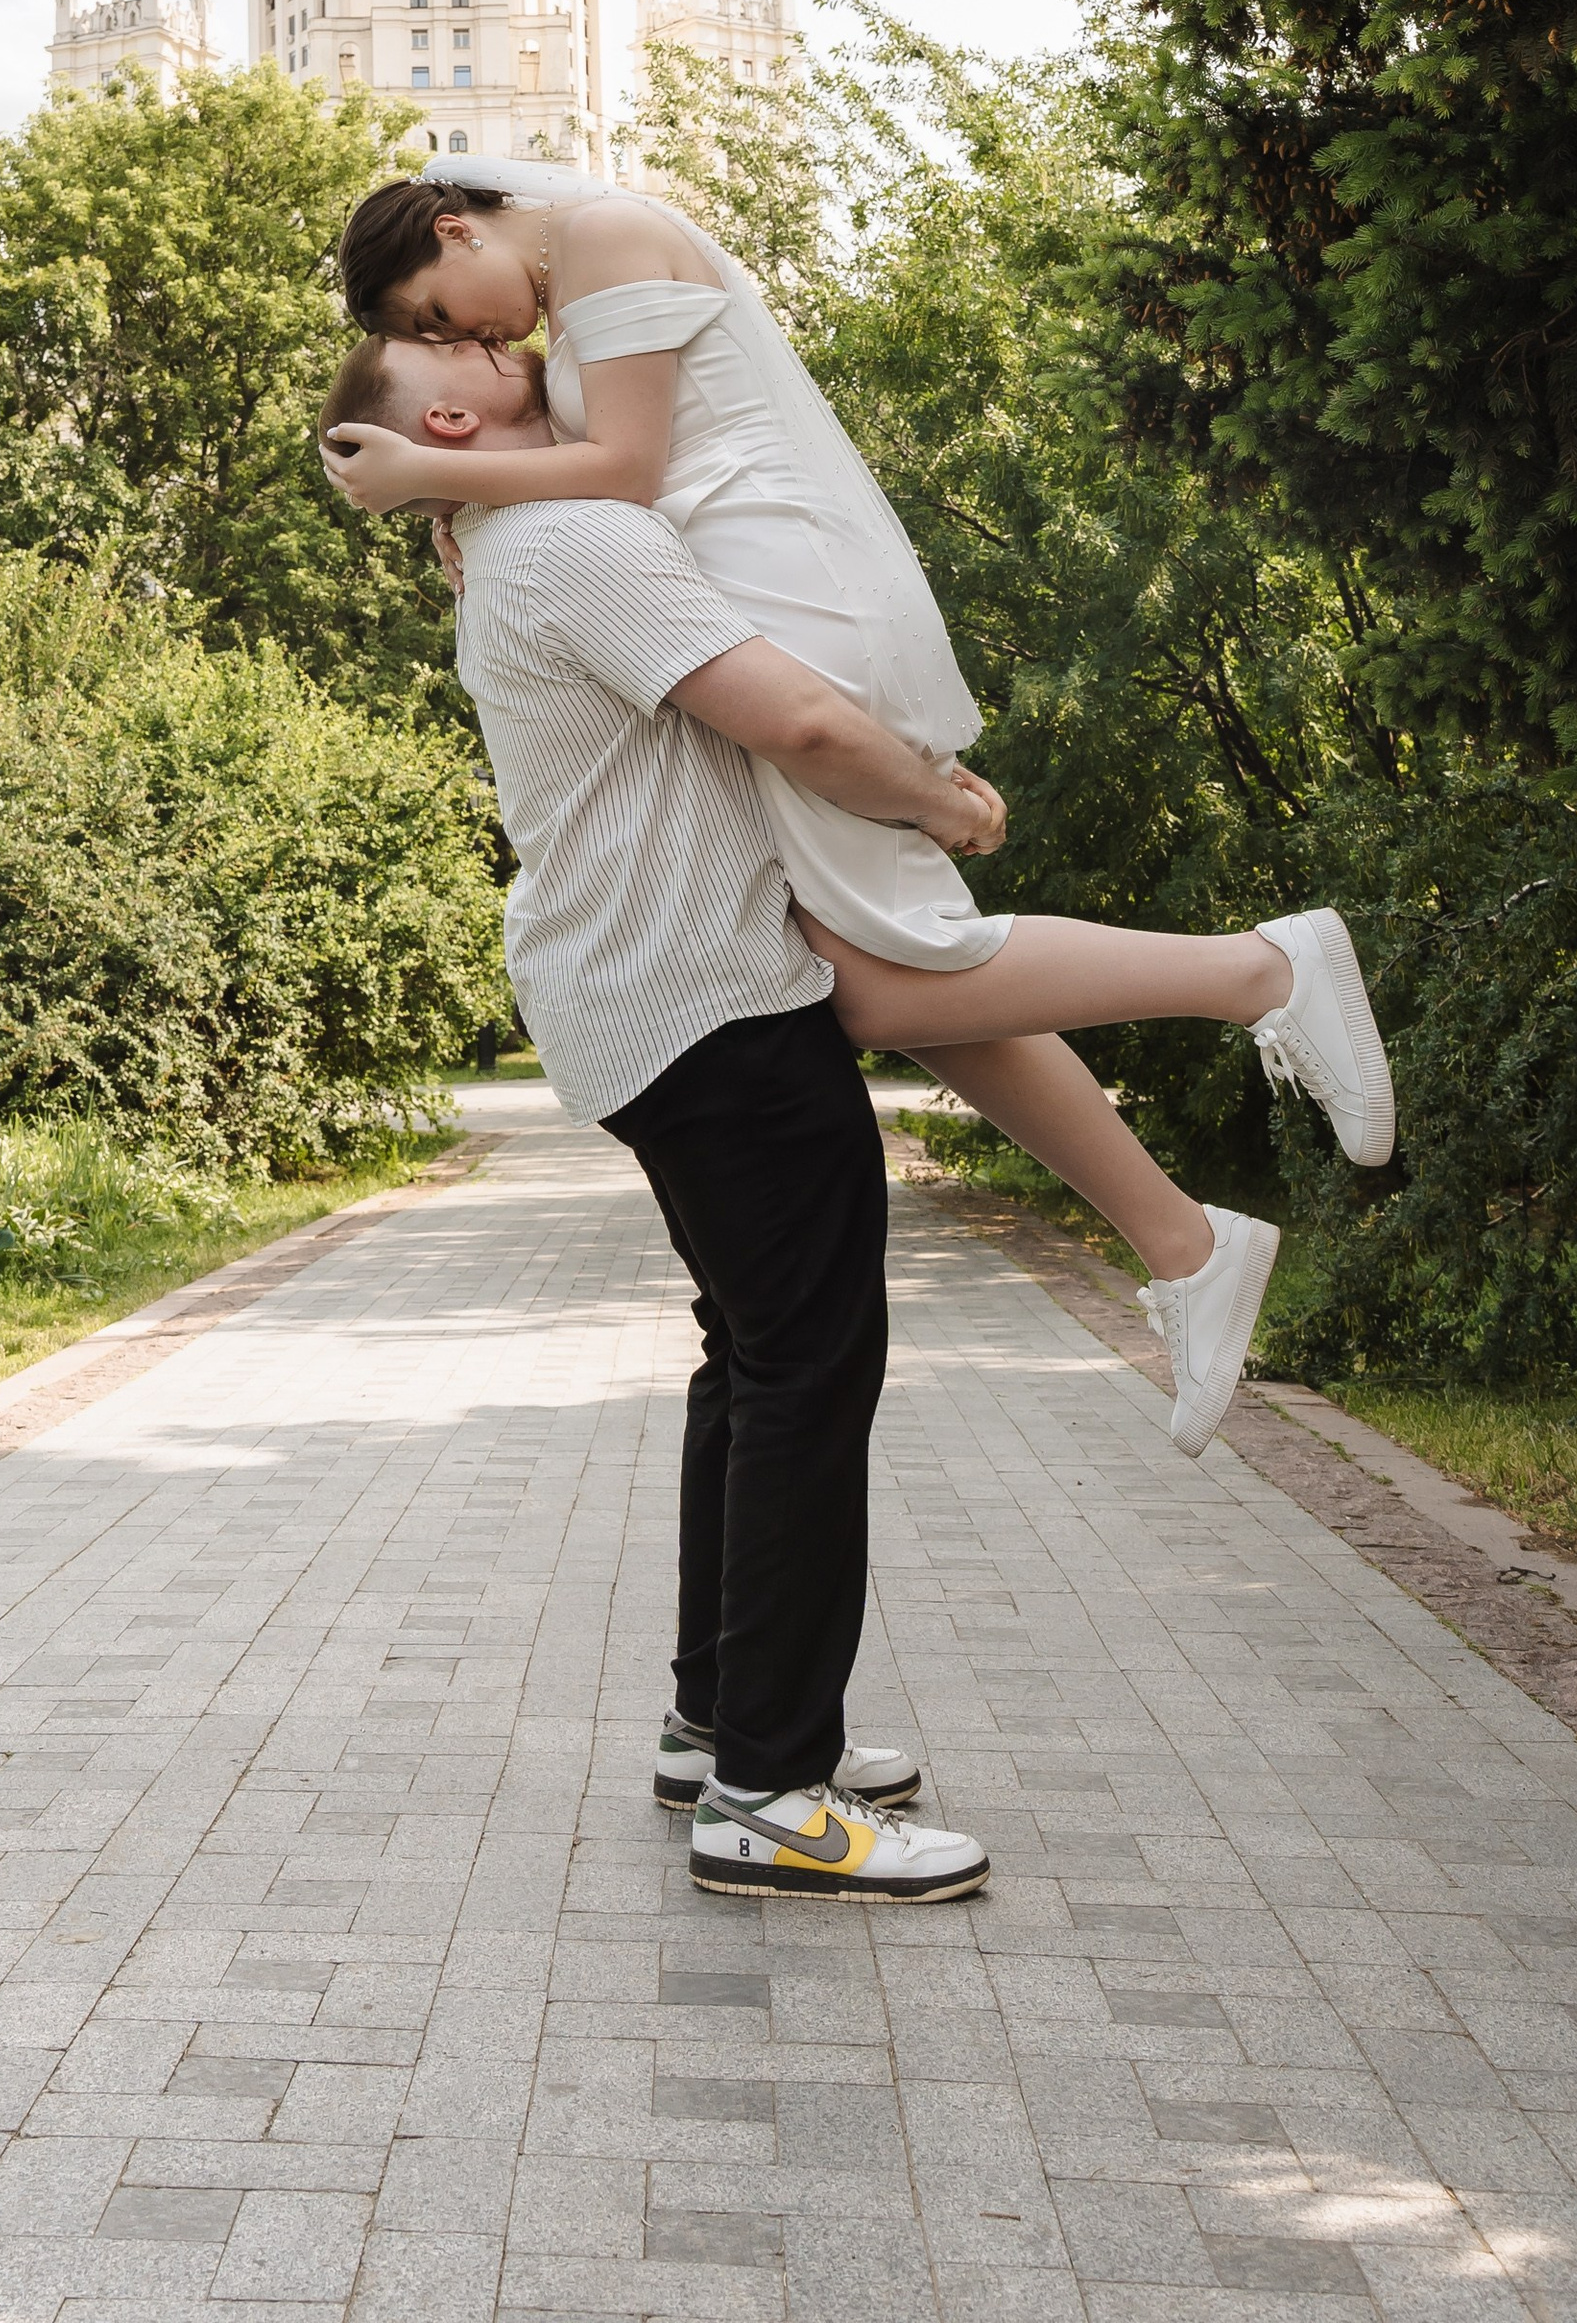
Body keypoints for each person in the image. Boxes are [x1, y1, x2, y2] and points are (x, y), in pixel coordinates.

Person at [320, 164, 1396, 1459]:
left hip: (798, 597)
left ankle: (1263, 975)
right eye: (449, 341)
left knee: (888, 985)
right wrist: (465, 494)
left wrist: (451, 486)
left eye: (451, 313)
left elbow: (633, 466)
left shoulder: (603, 233)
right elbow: (597, 471)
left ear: (456, 226)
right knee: (891, 974)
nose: (478, 341)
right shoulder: (572, 287)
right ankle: (1185, 1236)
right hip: (771, 592)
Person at [325, 322, 994, 1902]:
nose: (502, 332)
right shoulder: (564, 539)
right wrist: (944, 798)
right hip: (704, 998)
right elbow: (807, 725)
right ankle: (771, 1794)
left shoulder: (516, 541)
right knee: (811, 1370)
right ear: (443, 411)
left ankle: (721, 1723)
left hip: (645, 993)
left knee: (757, 1358)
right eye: (458, 337)